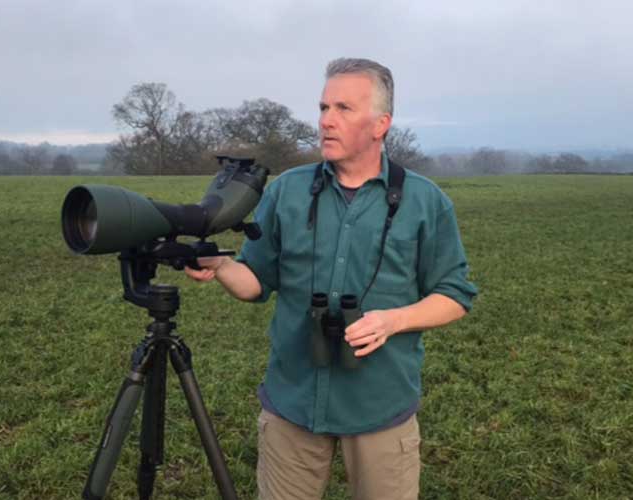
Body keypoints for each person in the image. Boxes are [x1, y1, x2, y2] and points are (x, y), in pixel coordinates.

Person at [185, 58, 477, 500]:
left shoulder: (425, 202)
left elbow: (454, 295)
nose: (325, 121)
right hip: (293, 404)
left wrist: (392, 321)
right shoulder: (287, 190)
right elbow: (256, 282)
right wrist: (223, 266)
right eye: (323, 107)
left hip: (381, 406)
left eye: (343, 108)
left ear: (381, 124)